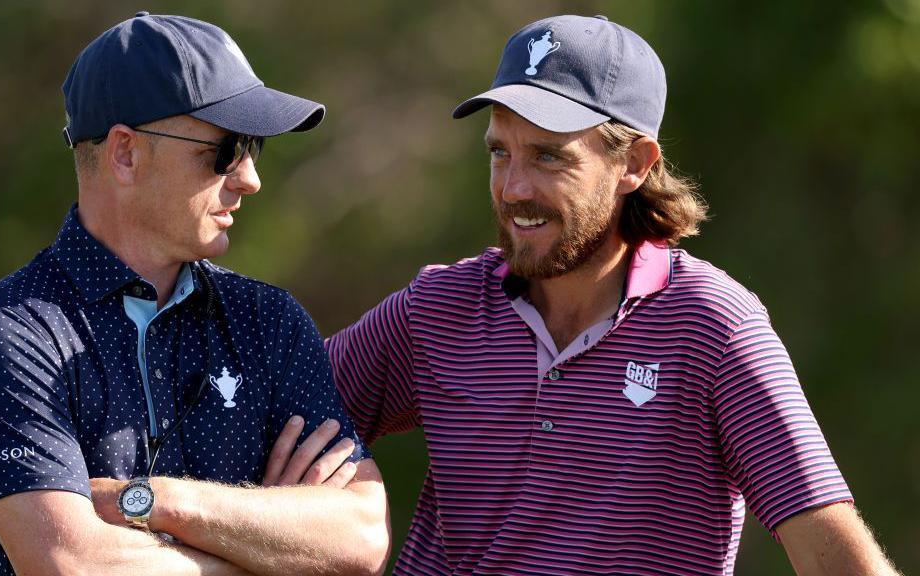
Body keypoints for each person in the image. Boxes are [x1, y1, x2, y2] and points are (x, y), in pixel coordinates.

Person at [326, 14, 901, 576]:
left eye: (548, 155)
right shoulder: (439, 307)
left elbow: (837, 557)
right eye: (500, 152)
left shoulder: (714, 327)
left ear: (634, 164)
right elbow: (252, 410)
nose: (514, 188)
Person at [0, 12, 389, 576]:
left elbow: (362, 536)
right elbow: (73, 564)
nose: (249, 177)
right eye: (225, 149)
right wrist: (269, 552)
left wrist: (157, 502)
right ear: (125, 153)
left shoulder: (271, 321)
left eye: (253, 148)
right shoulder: (8, 332)